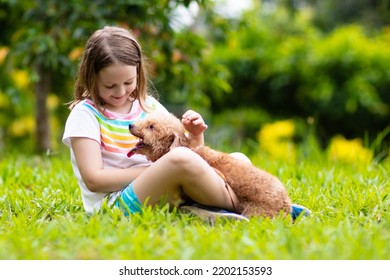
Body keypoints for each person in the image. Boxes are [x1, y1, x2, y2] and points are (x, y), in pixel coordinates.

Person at [62, 26, 309, 222]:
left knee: (239, 158)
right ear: (90, 76)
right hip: (117, 205)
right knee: (181, 160)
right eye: (110, 86)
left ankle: (243, 207)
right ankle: (263, 208)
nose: (121, 91)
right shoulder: (85, 114)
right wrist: (163, 169)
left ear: (139, 73)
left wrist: (195, 136)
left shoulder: (148, 106)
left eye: (128, 82)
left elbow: (189, 155)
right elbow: (94, 179)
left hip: (169, 194)